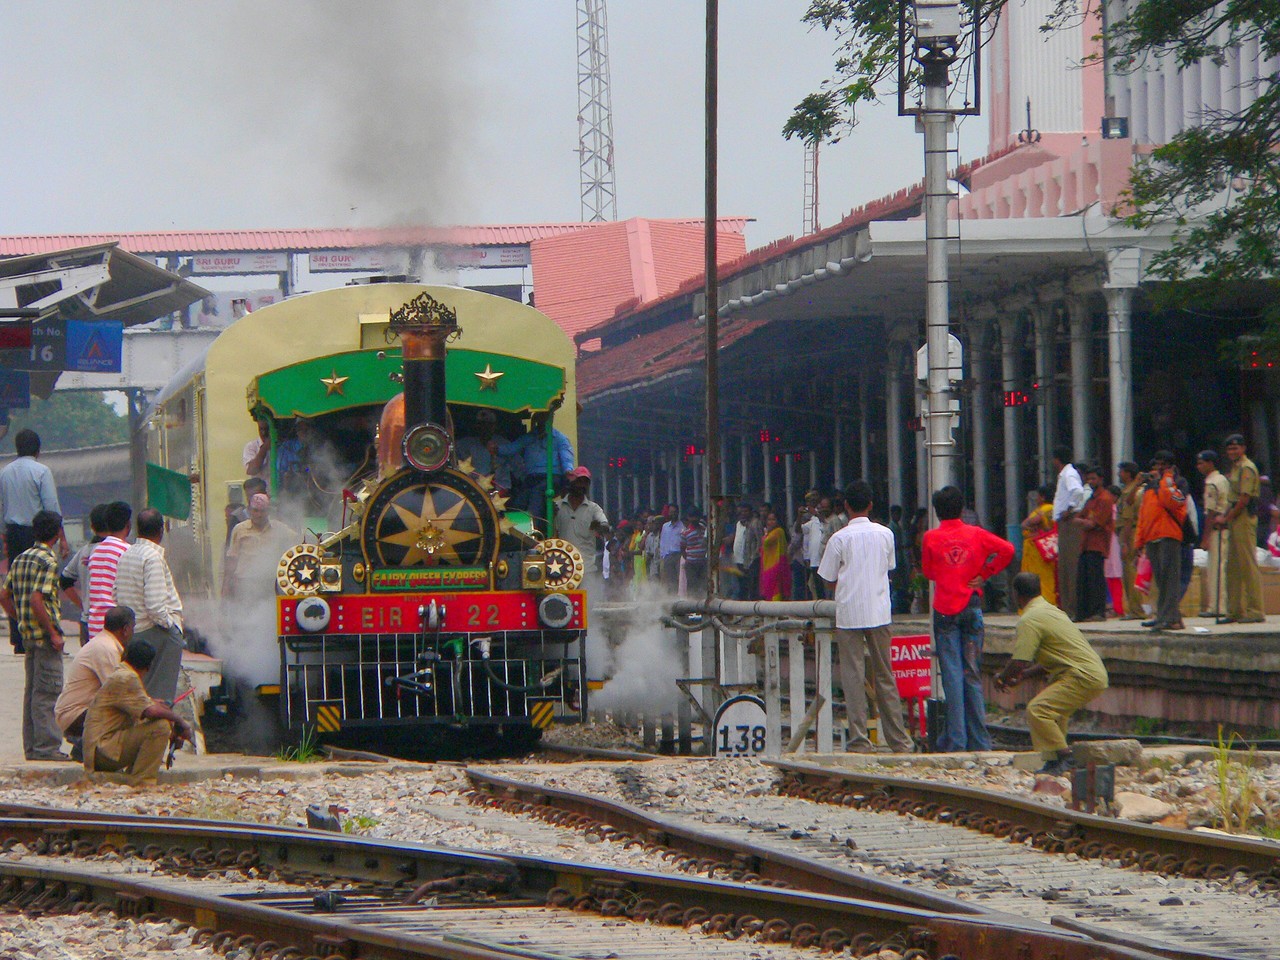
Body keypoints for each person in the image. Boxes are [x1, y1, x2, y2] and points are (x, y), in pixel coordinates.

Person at [816, 480, 914, 753]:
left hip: (848, 614)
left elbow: (827, 577)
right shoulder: (885, 535)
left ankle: (859, 740)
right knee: (885, 675)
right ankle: (899, 741)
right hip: (880, 612)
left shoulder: (839, 538)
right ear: (871, 505)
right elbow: (889, 568)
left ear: (846, 506)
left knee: (853, 676)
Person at [921, 486, 1015, 753]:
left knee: (951, 676)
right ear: (962, 509)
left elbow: (929, 572)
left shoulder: (930, 538)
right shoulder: (976, 534)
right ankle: (980, 741)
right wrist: (985, 572)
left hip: (945, 611)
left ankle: (956, 740)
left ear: (937, 512)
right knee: (972, 674)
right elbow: (1007, 550)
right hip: (972, 606)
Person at [994, 572, 1109, 775]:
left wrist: (1002, 677)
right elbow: (1054, 657)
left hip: (1080, 674)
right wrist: (1026, 675)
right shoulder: (1052, 611)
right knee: (1056, 714)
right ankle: (1053, 760)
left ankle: (1065, 757)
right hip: (1090, 672)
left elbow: (1020, 660)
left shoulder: (1029, 619)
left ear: (1017, 595)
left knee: (1039, 710)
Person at [0, 510, 66, 760]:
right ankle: (47, 748)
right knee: (47, 692)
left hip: (28, 637)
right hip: (45, 638)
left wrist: (19, 617)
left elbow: (4, 596)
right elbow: (37, 598)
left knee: (32, 692)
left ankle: (32, 746)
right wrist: (53, 632)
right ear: (58, 533)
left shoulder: (21, 559)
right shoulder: (48, 561)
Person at [82, 638, 193, 785]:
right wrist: (180, 722)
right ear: (148, 666)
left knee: (159, 719)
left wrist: (165, 712)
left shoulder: (121, 673)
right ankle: (142, 780)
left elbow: (147, 707)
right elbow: (151, 712)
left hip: (100, 750)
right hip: (103, 751)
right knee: (160, 727)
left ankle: (130, 777)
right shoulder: (127, 677)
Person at [112, 508, 185, 702]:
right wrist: (171, 626)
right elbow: (155, 606)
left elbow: (115, 593)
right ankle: (160, 727)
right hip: (154, 630)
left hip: (133, 630)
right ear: (162, 530)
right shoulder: (152, 558)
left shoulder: (127, 554)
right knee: (159, 693)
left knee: (142, 688)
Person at [0, 429, 62, 653]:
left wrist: (5, 536)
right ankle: (44, 632)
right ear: (38, 449)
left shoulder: (5, 472)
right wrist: (58, 537)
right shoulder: (42, 471)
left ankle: (19, 638)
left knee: (17, 584)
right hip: (38, 533)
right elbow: (51, 507)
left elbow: (2, 507)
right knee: (42, 586)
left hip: (14, 533)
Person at [55, 605, 134, 760]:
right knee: (128, 713)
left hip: (77, 711)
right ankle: (90, 747)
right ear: (125, 629)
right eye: (133, 627)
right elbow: (118, 692)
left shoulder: (104, 643)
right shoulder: (106, 648)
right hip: (75, 715)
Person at [1134, 451, 1188, 631]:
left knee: (1170, 579)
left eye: (1162, 465)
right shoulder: (1149, 487)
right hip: (1152, 537)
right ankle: (1165, 615)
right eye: (1156, 465)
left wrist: (1166, 479)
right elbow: (1143, 514)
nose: (1157, 468)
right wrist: (1139, 541)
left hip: (1168, 535)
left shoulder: (1177, 483)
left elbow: (1172, 502)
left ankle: (1171, 617)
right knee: (1160, 580)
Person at [497, 413, 575, 530]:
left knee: (537, 494)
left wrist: (568, 470)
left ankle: (534, 530)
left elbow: (566, 456)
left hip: (552, 477)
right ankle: (518, 531)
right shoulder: (529, 437)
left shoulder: (559, 438)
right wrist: (496, 449)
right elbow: (512, 448)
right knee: (519, 501)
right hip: (532, 479)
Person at [1219, 434, 1265, 623]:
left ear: (1243, 449)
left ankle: (1255, 611)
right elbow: (1233, 498)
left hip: (1244, 517)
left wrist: (1227, 517)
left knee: (1247, 565)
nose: (1232, 452)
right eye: (1229, 449)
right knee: (1233, 567)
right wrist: (1225, 517)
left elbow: (1244, 499)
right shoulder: (1235, 468)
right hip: (1235, 518)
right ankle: (1235, 611)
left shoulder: (1246, 468)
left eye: (1235, 448)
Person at [223, 493, 294, 600]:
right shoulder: (240, 529)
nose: (259, 515)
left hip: (270, 583)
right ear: (250, 511)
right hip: (245, 583)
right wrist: (226, 586)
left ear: (268, 511)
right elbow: (232, 558)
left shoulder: (280, 529)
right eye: (256, 510)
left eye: (263, 511)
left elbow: (298, 541)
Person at [553, 466, 610, 588]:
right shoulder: (558, 507)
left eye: (585, 482)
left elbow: (605, 525)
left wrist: (599, 527)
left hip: (586, 568)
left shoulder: (593, 509)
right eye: (579, 481)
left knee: (586, 604)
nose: (582, 485)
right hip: (562, 567)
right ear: (572, 483)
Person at [1073, 465, 1116, 622]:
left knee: (1095, 579)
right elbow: (1081, 517)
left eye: (1094, 478)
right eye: (1089, 478)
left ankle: (1098, 612)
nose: (1090, 481)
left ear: (1101, 479)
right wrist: (1083, 521)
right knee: (1083, 579)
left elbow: (1093, 523)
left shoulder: (1105, 499)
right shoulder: (1091, 499)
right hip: (1086, 544)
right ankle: (1083, 613)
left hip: (1097, 544)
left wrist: (1082, 521)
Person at [61, 504, 108, 645]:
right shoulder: (119, 551)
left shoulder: (84, 552)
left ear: (92, 527)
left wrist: (82, 604)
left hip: (87, 621)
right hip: (112, 623)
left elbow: (64, 581)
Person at [85, 501, 132, 635]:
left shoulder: (95, 551)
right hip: (117, 629)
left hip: (94, 627)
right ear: (128, 525)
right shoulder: (126, 551)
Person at [1051, 446, 1087, 615]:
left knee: (1069, 566)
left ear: (1057, 460)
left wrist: (1069, 508)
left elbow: (1078, 491)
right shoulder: (1065, 474)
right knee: (1064, 566)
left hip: (1069, 521)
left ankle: (1071, 608)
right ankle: (1067, 607)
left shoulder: (1069, 473)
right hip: (1064, 522)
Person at [1196, 450, 1230, 618]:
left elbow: (1210, 512)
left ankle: (1217, 607)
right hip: (1224, 529)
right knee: (1221, 568)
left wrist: (1205, 537)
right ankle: (1220, 605)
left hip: (1216, 530)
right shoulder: (1223, 479)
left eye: (1201, 463)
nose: (1199, 466)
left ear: (1211, 463)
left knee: (1216, 570)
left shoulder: (1212, 482)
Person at [1020, 484, 1058, 607]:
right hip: (1049, 548)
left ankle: (1037, 604)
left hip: (1036, 549)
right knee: (1049, 578)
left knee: (1036, 578)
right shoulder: (1055, 509)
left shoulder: (1043, 510)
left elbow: (1026, 524)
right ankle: (1050, 602)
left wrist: (1029, 527)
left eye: (1038, 497)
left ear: (1042, 497)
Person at [456, 409, 511, 491]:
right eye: (481, 424)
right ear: (475, 426)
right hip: (472, 491)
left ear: (495, 426)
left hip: (500, 491)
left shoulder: (505, 444)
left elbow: (519, 468)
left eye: (489, 424)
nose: (485, 428)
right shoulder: (462, 445)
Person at [1115, 462, 1144, 619]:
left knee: (1130, 571)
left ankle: (1136, 609)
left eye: (1122, 472)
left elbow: (1127, 519)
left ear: (1128, 473)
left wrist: (1125, 542)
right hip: (1127, 532)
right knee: (1128, 571)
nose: (1119, 474)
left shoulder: (1131, 492)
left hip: (1129, 532)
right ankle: (1134, 608)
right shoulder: (1129, 490)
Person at [758, 510, 789, 600]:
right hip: (767, 565)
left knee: (776, 590)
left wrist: (766, 533)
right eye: (769, 520)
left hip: (776, 567)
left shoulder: (778, 531)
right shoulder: (770, 533)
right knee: (768, 590)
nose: (770, 522)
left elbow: (766, 541)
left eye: (773, 520)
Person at [680, 507, 708, 596]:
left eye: (696, 517)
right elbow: (682, 549)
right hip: (691, 563)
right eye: (691, 517)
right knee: (692, 586)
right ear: (688, 518)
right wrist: (689, 558)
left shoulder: (704, 528)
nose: (694, 519)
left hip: (704, 562)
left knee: (704, 585)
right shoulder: (685, 533)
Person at [657, 508, 684, 593]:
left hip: (678, 555)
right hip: (668, 556)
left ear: (678, 513)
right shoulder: (665, 526)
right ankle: (672, 596)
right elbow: (663, 541)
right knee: (670, 578)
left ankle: (680, 596)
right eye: (671, 512)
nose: (673, 514)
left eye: (674, 512)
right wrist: (663, 555)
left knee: (680, 577)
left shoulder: (682, 526)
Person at [243, 417, 272, 483]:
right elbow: (251, 470)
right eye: (261, 429)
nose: (264, 433)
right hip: (260, 490)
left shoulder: (282, 446)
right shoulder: (251, 446)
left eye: (267, 429)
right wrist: (264, 448)